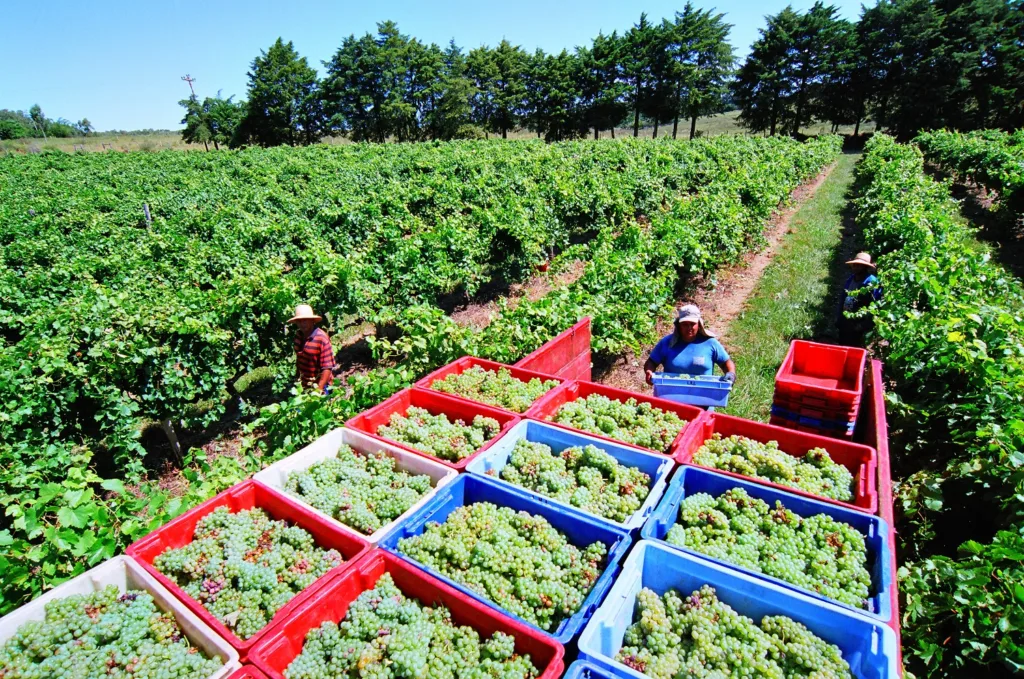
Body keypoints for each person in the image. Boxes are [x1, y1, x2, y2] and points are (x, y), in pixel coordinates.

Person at [644, 304, 736, 386]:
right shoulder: (667, 343)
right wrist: (649, 371)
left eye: (692, 324)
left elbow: (726, 363)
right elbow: (652, 362)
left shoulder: (710, 343)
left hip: (704, 396)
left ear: (699, 324)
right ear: (679, 325)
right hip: (672, 395)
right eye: (685, 324)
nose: (689, 328)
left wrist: (730, 374)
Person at [287, 304, 335, 394]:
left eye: (305, 320)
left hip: (322, 385)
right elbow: (300, 357)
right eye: (299, 321)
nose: (302, 324)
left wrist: (319, 390)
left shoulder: (322, 339)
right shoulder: (299, 335)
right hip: (305, 384)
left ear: (312, 320)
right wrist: (298, 377)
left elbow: (327, 367)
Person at [838, 252, 881, 347]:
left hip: (858, 324)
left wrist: (864, 325)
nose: (856, 267)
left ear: (865, 267)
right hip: (846, 321)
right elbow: (843, 298)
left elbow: (876, 305)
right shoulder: (851, 279)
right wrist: (839, 318)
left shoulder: (872, 283)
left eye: (859, 265)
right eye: (855, 265)